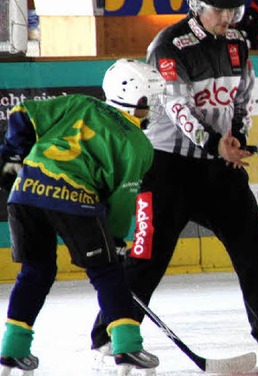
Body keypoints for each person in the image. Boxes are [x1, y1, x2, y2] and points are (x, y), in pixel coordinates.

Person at [90, 0, 258, 361]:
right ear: (197, 8)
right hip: (166, 167)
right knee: (147, 255)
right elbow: (176, 108)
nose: (227, 19)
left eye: (233, 11)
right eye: (219, 11)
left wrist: (235, 135)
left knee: (255, 243)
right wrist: (215, 144)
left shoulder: (237, 40)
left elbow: (244, 96)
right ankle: (110, 331)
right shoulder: (169, 44)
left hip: (218, 164)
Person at [0, 58, 166, 375]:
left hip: (25, 193)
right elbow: (121, 199)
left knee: (35, 271)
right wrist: (115, 239)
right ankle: (127, 347)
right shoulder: (138, 144)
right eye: (149, 100)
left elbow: (22, 114)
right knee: (107, 273)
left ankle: (12, 349)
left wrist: (12, 153)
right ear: (132, 97)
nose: (153, 107)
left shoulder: (80, 103)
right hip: (73, 198)